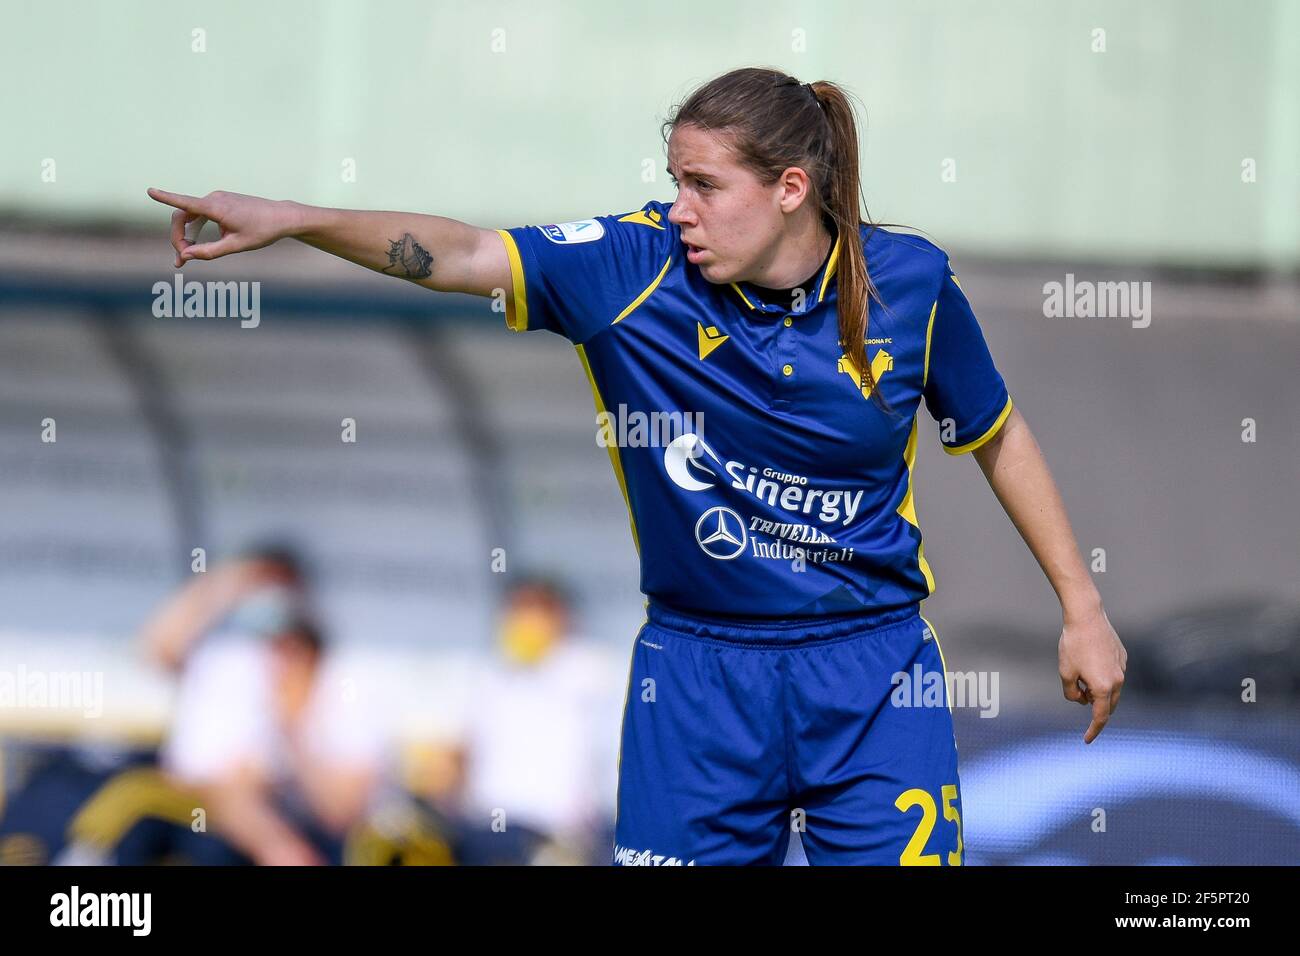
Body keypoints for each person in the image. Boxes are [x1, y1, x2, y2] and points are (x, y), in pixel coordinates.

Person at [146, 66, 1127, 865]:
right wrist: (293, 217)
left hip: (874, 673)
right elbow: (457, 253)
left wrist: (1081, 609)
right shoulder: (631, 266)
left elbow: (995, 433)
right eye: (674, 180)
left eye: (705, 185)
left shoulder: (910, 281)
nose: (680, 207)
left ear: (790, 189)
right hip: (696, 676)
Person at [142, 548, 385, 864]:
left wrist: (292, 725)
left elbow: (340, 809)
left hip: (279, 816)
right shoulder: (218, 654)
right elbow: (158, 646)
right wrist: (229, 582)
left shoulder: (323, 674)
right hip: (196, 812)